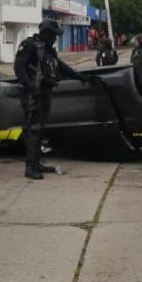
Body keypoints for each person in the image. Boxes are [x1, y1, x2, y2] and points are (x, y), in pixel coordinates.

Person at [14, 18, 91, 180]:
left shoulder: (48, 49)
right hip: (32, 93)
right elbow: (19, 68)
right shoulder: (29, 45)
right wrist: (31, 87)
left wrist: (80, 77)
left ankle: (36, 163)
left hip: (44, 92)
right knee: (33, 129)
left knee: (40, 128)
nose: (56, 38)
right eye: (54, 35)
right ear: (46, 33)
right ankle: (30, 167)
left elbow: (60, 66)